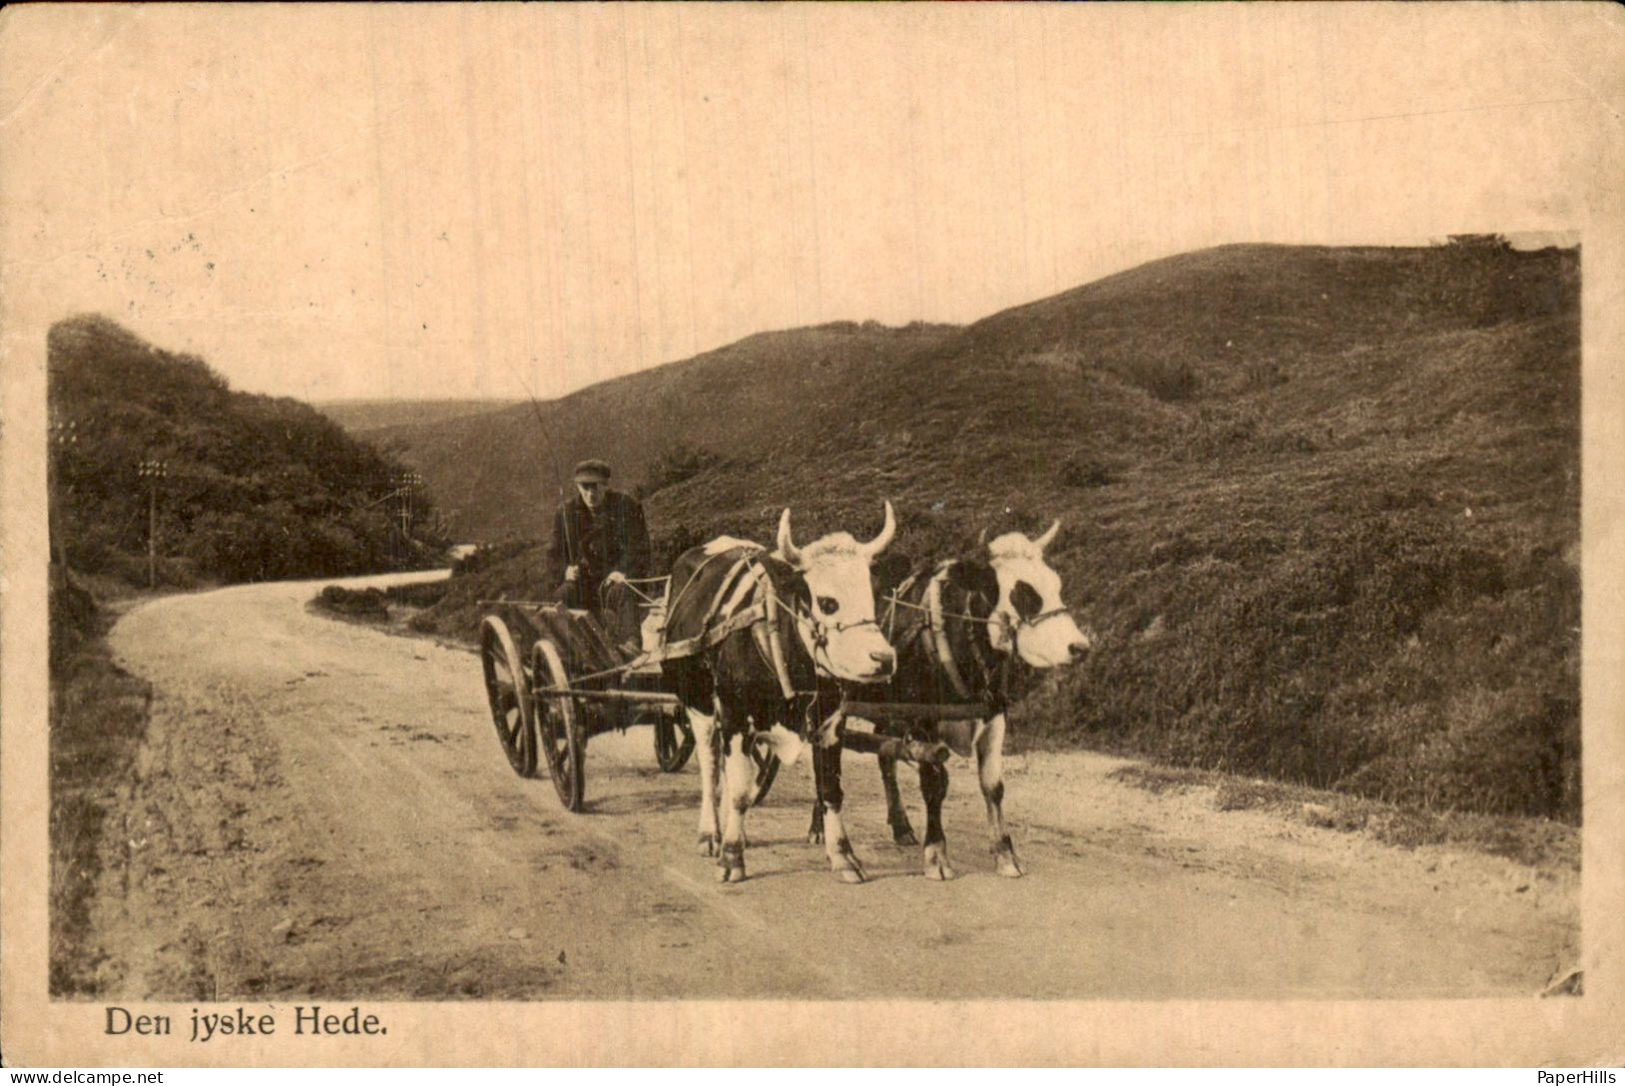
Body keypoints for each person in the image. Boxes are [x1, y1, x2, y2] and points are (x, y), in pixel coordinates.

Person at [546, 459, 652, 628]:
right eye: (584, 487)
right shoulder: (565, 513)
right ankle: (568, 647)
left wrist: (622, 571)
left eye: (595, 486)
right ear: (577, 487)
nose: (590, 493)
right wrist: (566, 571)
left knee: (622, 591)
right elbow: (553, 555)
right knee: (563, 595)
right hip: (582, 583)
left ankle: (630, 645)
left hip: (615, 582)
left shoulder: (627, 506)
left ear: (606, 485)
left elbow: (640, 548)